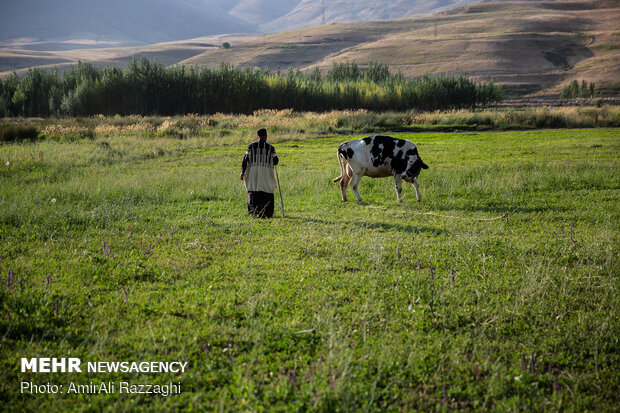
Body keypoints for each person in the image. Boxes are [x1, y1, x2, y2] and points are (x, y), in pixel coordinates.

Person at [240, 128, 279, 218]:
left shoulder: (251, 146)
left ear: (258, 136)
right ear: (266, 136)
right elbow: (276, 161)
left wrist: (242, 172)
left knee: (254, 189)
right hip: (266, 173)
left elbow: (245, 160)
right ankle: (266, 212)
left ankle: (254, 211)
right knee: (267, 190)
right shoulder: (270, 148)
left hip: (253, 172)